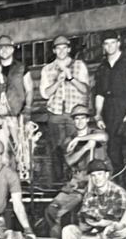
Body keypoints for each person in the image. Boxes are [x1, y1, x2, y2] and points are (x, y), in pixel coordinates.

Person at [59, 156, 126, 239]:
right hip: (94, 233)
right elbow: (84, 216)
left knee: (109, 230)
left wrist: (96, 221)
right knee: (68, 230)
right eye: (93, 175)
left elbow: (117, 220)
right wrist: (87, 221)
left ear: (106, 175)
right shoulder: (90, 194)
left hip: (113, 236)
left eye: (100, 174)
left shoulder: (118, 192)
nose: (97, 178)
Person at [37, 34, 91, 188]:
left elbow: (85, 90)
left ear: (69, 49)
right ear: (54, 50)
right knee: (57, 149)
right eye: (58, 48)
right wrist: (58, 81)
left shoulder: (79, 65)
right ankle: (60, 184)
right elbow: (45, 94)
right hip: (55, 114)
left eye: (64, 48)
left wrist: (71, 78)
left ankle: (78, 182)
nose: (61, 51)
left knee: (76, 147)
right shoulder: (47, 69)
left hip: (75, 116)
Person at [0, 34, 35, 182]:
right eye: (1, 48)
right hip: (0, 117)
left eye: (7, 47)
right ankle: (3, 180)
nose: (4, 50)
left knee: (21, 148)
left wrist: (28, 108)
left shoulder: (21, 68)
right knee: (1, 148)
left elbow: (29, 89)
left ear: (12, 49)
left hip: (18, 115)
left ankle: (24, 178)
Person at [92, 29, 126, 173]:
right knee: (113, 152)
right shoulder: (102, 68)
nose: (110, 46)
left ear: (118, 43)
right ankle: (120, 183)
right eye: (106, 44)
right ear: (103, 46)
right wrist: (98, 114)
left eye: (113, 43)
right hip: (110, 114)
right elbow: (99, 94)